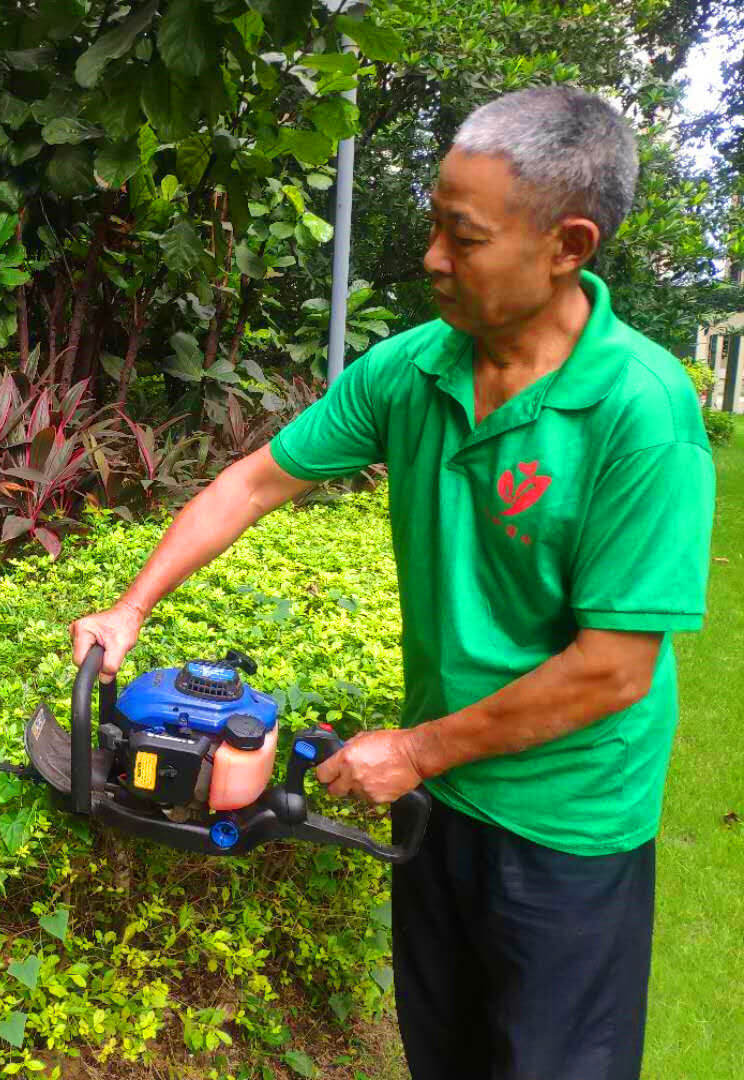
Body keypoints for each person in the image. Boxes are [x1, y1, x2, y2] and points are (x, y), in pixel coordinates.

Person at [69, 84, 715, 1080]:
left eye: (464, 237)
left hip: (568, 826)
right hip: (443, 800)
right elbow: (257, 479)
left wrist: (415, 747)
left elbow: (614, 669)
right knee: (444, 1054)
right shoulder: (413, 370)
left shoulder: (640, 412)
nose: (431, 260)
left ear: (568, 245)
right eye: (433, 227)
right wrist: (130, 606)